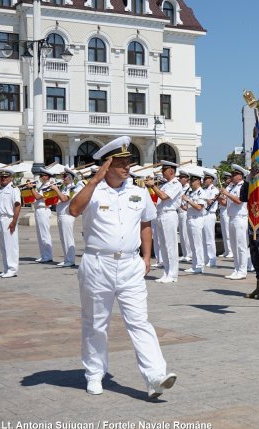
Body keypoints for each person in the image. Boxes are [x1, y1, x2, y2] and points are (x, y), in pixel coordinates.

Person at [68, 136, 176, 398]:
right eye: (120, 163)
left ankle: (155, 376)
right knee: (96, 323)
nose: (126, 167)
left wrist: (146, 257)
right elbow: (73, 209)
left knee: (139, 321)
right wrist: (94, 180)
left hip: (129, 264)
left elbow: (146, 224)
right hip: (97, 264)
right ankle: (94, 374)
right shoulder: (92, 190)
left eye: (128, 162)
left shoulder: (138, 191)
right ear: (106, 165)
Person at [146, 161, 183, 283]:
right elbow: (158, 199)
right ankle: (167, 272)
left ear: (171, 171)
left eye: (164, 170)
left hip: (170, 215)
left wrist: (153, 185)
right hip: (161, 215)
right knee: (163, 245)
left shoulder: (175, 184)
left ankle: (173, 274)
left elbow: (163, 196)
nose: (162, 172)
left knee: (170, 245)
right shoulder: (166, 184)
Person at [220, 165, 249, 280]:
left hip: (240, 218)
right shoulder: (232, 187)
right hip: (232, 217)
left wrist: (226, 194)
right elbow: (225, 203)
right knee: (234, 246)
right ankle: (236, 269)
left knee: (241, 246)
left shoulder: (243, 187)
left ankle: (242, 270)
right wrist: (221, 197)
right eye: (232, 175)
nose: (232, 177)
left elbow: (238, 201)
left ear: (240, 176)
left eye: (234, 175)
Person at [53, 167, 84, 268]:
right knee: (63, 239)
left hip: (67, 216)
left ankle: (70, 260)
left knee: (68, 239)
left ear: (70, 177)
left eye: (65, 176)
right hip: (61, 215)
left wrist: (56, 189)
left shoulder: (72, 188)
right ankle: (66, 259)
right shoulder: (65, 188)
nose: (63, 178)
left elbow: (64, 199)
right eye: (63, 176)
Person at [0, 168, 21, 278]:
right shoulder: (1, 189)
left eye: (6, 177)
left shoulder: (14, 189)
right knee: (3, 246)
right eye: (2, 177)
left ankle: (12, 268)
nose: (3, 179)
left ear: (11, 178)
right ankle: (6, 269)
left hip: (8, 219)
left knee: (11, 245)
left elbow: (18, 205)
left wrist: (14, 222)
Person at [181, 168, 206, 274]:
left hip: (197, 220)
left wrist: (188, 200)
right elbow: (189, 208)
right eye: (190, 181)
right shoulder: (192, 192)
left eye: (192, 181)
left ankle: (199, 265)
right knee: (192, 244)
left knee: (197, 244)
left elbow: (199, 207)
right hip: (190, 219)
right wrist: (182, 205)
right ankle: (194, 265)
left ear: (198, 181)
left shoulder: (201, 192)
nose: (190, 183)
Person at [31, 168, 55, 263]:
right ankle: (43, 255)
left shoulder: (48, 186)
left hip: (44, 210)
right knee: (40, 234)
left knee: (45, 234)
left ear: (46, 177)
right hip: (39, 210)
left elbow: (37, 196)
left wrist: (31, 188)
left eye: (42, 176)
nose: (40, 177)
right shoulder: (42, 185)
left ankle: (48, 255)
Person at [201, 169, 220, 268]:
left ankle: (212, 259)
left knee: (209, 238)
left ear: (211, 180)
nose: (204, 180)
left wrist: (202, 199)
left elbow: (210, 202)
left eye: (206, 178)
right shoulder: (204, 190)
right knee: (204, 239)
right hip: (203, 214)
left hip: (210, 214)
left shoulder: (214, 190)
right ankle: (206, 258)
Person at [177, 171, 193, 263]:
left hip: (185, 211)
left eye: (182, 178)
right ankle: (185, 253)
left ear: (186, 179)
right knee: (182, 234)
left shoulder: (189, 189)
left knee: (185, 234)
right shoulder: (181, 188)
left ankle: (189, 254)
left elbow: (189, 200)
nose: (180, 179)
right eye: (179, 177)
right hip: (180, 211)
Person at [217, 171, 233, 258]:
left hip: (227, 210)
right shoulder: (226, 188)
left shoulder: (230, 188)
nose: (225, 180)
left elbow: (226, 201)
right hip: (222, 210)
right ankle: (226, 250)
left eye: (226, 179)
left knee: (228, 232)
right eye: (225, 179)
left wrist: (220, 198)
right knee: (224, 232)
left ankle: (230, 250)